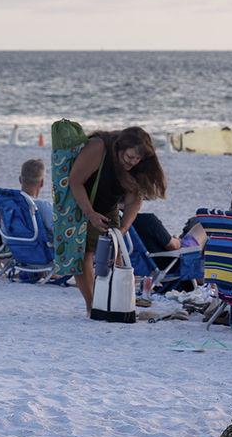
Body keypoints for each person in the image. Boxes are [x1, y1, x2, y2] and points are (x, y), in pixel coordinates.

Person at [67, 127, 167, 314]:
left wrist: (124, 228)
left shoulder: (137, 165)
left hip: (107, 204)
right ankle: (93, 307)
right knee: (83, 255)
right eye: (130, 157)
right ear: (119, 146)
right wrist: (90, 214)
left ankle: (117, 302)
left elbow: (133, 200)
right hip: (78, 203)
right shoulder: (98, 147)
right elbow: (75, 181)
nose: (133, 162)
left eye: (138, 159)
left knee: (116, 251)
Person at [20, 158, 56, 238]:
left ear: (20, 179)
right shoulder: (43, 207)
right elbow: (58, 232)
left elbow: (5, 238)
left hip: (16, 249)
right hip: (42, 249)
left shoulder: (10, 204)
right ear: (42, 182)